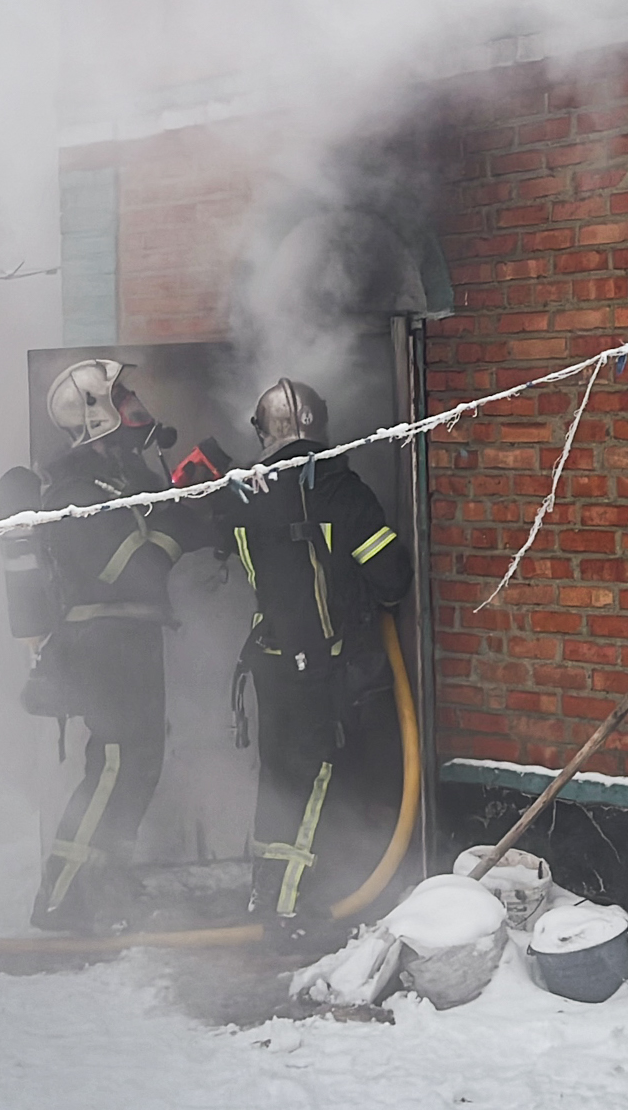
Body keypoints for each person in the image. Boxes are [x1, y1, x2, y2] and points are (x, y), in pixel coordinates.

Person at [225, 378, 411, 941]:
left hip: (270, 661)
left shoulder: (245, 493)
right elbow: (392, 579)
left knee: (280, 779)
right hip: (323, 667)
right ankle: (285, 912)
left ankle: (267, 890)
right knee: (315, 776)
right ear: (321, 424)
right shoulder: (338, 488)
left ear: (263, 430)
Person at [25, 358, 205, 933]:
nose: (137, 408)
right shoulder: (77, 494)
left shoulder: (121, 481)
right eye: (123, 398)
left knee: (138, 766)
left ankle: (105, 885)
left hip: (130, 641)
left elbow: (161, 525)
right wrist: (182, 525)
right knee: (114, 766)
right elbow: (140, 570)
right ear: (98, 413)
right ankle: (59, 898)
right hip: (103, 645)